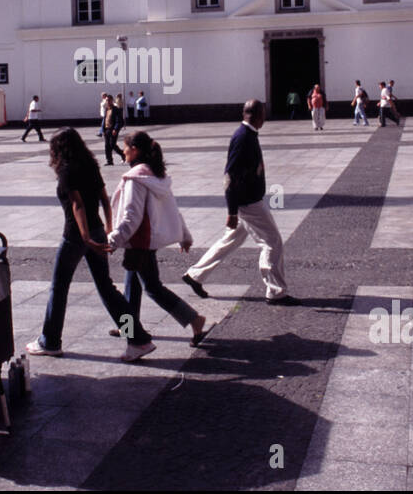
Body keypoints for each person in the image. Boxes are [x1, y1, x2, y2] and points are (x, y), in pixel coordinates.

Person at [26, 128, 155, 363]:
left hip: (76, 236)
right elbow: (104, 199)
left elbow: (78, 206)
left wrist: (85, 238)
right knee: (106, 288)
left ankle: (50, 341)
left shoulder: (66, 170)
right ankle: (137, 339)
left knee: (59, 287)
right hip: (96, 230)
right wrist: (107, 227)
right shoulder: (90, 165)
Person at [102, 131, 209, 347]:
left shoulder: (136, 179)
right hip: (144, 240)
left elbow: (131, 216)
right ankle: (128, 328)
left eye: (125, 147)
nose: (123, 151)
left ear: (135, 150)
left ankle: (194, 320)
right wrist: (185, 235)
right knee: (132, 282)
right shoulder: (154, 174)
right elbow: (172, 208)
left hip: (140, 240)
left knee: (152, 287)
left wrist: (112, 240)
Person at [183, 100, 293, 304]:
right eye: (264, 114)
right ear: (259, 115)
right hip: (248, 202)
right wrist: (232, 211)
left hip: (246, 200)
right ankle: (276, 292)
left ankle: (195, 275)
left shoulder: (248, 134)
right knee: (272, 242)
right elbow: (229, 176)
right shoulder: (243, 137)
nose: (265, 119)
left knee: (230, 240)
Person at [103, 94, 126, 165]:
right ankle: (109, 161)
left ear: (112, 100)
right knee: (107, 145)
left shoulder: (116, 109)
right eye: (106, 100)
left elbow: (119, 120)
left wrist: (115, 129)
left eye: (109, 100)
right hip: (107, 129)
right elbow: (105, 120)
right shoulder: (107, 109)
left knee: (112, 144)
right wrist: (103, 130)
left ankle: (123, 154)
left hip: (113, 129)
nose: (108, 102)